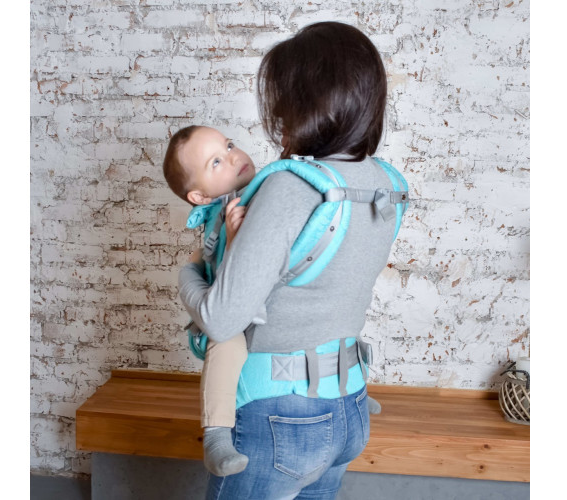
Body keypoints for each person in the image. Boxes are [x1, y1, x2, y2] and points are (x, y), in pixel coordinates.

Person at [178, 21, 403, 499]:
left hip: (281, 415)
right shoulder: (386, 183)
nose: (277, 113)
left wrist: (187, 277)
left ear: (305, 102)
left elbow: (221, 319)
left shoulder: (289, 187)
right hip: (351, 405)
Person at [163, 125, 256, 477]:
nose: (232, 156)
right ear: (200, 196)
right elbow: (228, 279)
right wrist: (233, 240)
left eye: (228, 145)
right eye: (215, 162)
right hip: (232, 309)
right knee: (225, 343)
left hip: (273, 307)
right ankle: (217, 435)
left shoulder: (263, 187)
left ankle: (348, 383)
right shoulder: (226, 212)